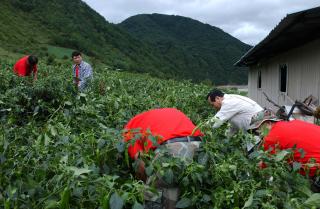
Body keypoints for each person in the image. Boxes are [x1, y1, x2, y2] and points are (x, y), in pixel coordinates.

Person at [123, 108, 203, 209]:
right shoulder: (157, 115)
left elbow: (140, 162)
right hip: (199, 144)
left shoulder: (128, 131)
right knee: (177, 188)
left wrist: (145, 180)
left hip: (173, 146)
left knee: (153, 195)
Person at [248, 110, 320, 187]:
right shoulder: (296, 122)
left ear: (268, 123)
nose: (259, 134)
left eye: (258, 129)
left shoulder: (271, 137)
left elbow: (266, 169)